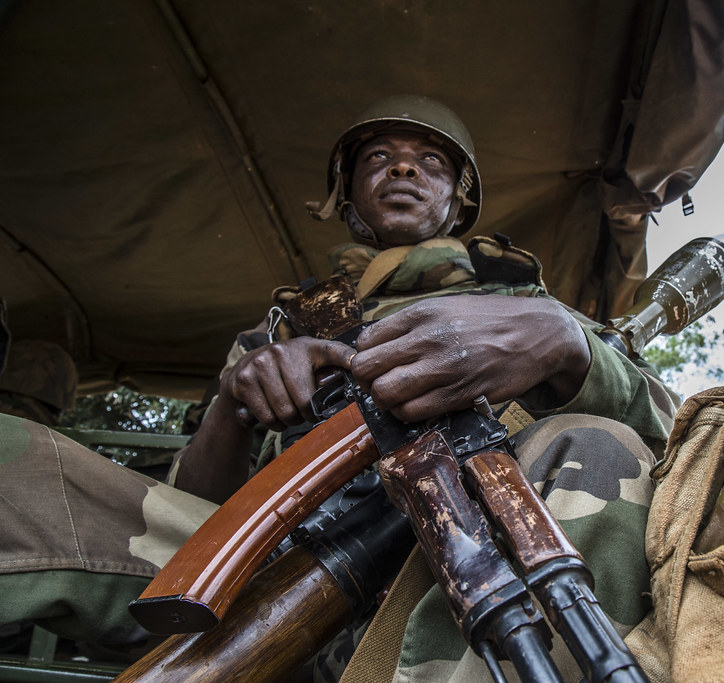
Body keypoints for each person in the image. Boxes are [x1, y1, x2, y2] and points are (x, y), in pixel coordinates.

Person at [0, 95, 680, 680]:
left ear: (458, 199)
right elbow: (198, 504)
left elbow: (669, 430)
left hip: (471, 565)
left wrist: (563, 341)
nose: (405, 167)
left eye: (431, 161)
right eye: (379, 158)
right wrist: (236, 408)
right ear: (347, 196)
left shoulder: (525, 307)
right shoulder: (289, 326)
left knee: (599, 444)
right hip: (266, 562)